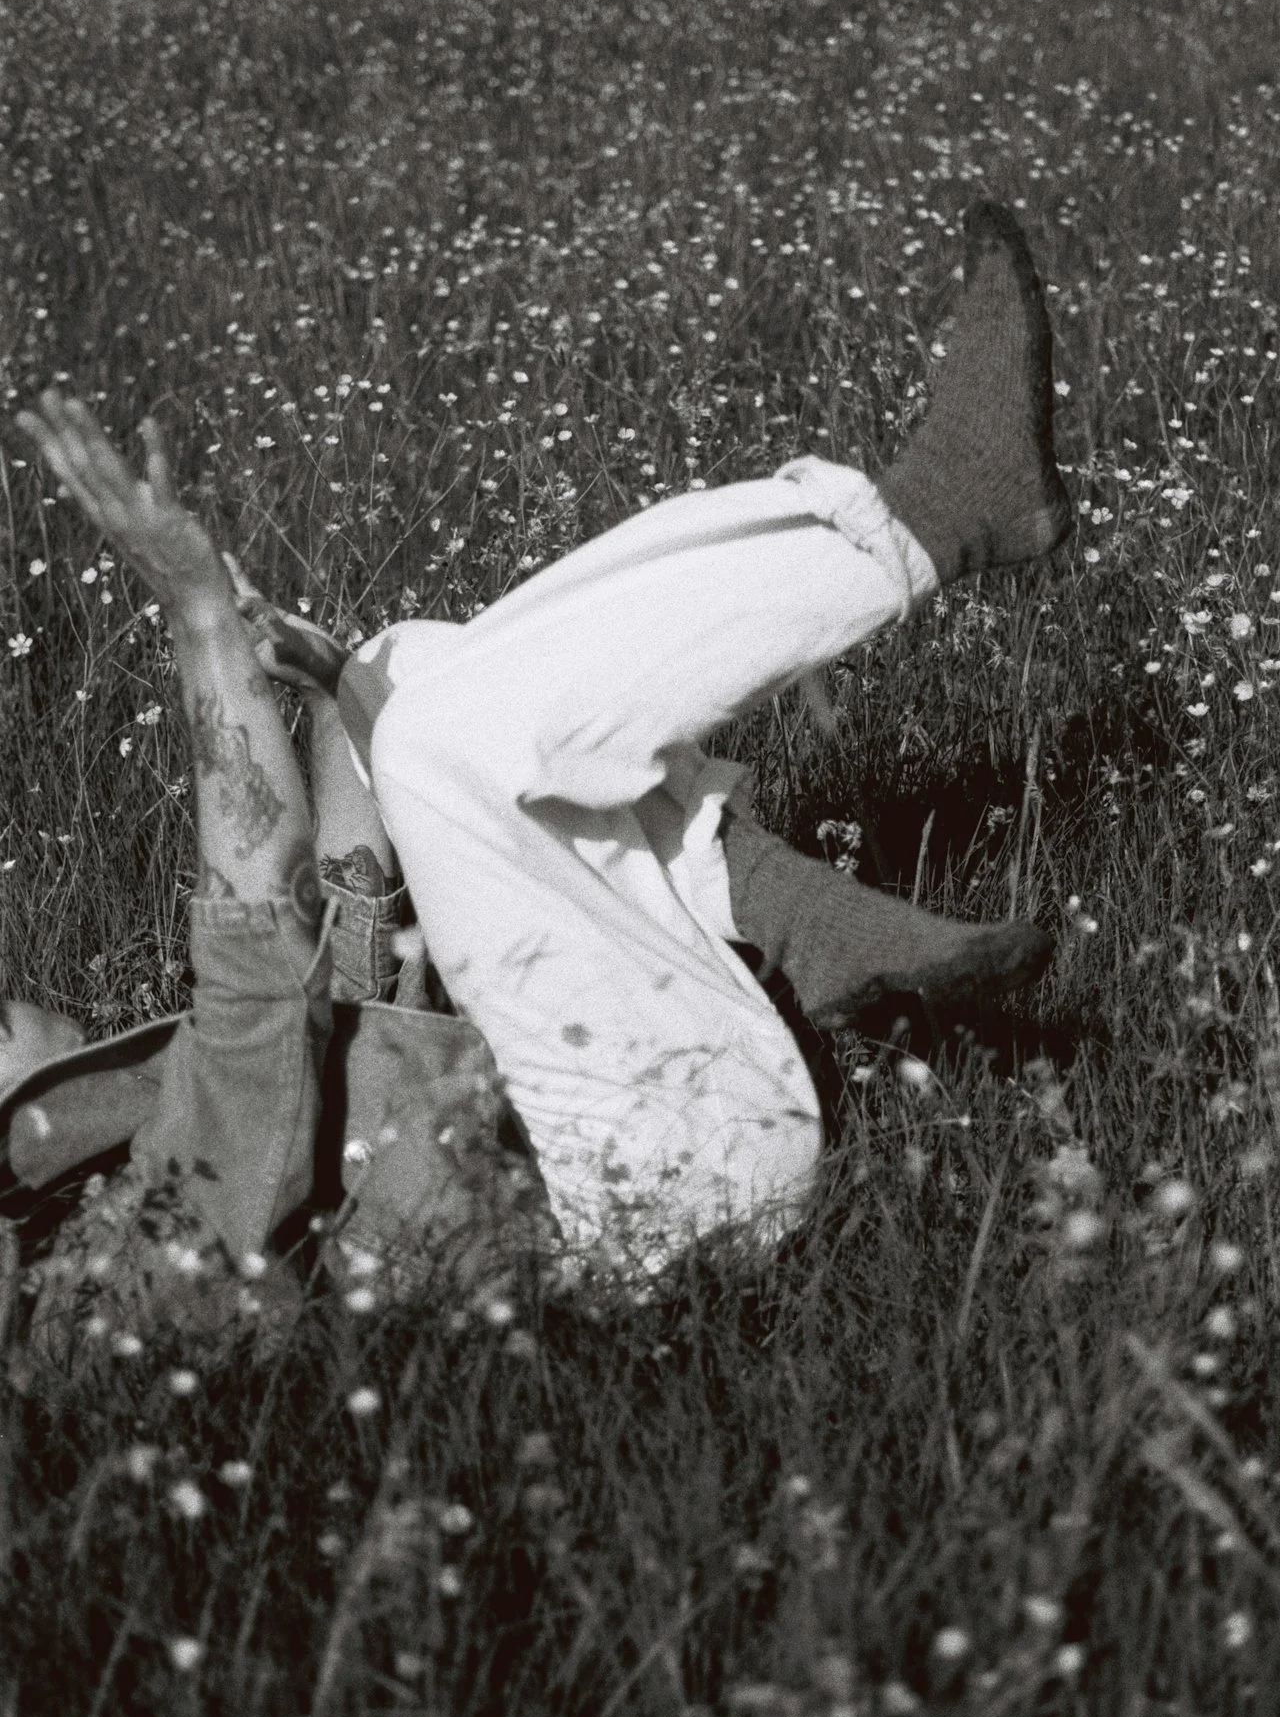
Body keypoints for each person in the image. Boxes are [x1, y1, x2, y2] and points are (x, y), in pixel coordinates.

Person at [4, 199, 1068, 1350]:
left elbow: (347, 948)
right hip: (654, 1185)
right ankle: (930, 518)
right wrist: (201, 618)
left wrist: (331, 697)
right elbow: (256, 953)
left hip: (625, 1114)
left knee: (397, 672)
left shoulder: (125, 1157)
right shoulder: (114, 1271)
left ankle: (796, 926)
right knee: (439, 746)